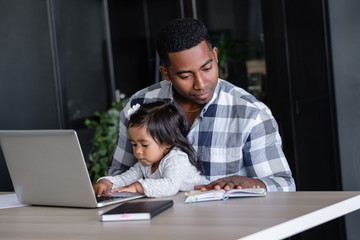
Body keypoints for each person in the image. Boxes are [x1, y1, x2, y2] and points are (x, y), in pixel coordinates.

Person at [105, 18, 296, 192]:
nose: (201, 84)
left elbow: (285, 185)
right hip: (158, 226)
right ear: (166, 73)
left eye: (207, 68)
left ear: (215, 55)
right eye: (186, 76)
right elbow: (118, 175)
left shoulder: (250, 113)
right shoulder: (140, 104)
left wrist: (251, 183)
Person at [93, 99, 209, 197]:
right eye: (134, 144)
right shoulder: (145, 164)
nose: (138, 151)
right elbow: (125, 179)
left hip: (203, 202)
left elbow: (170, 186)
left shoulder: (177, 158)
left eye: (144, 145)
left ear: (168, 140)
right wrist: (106, 183)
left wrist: (138, 186)